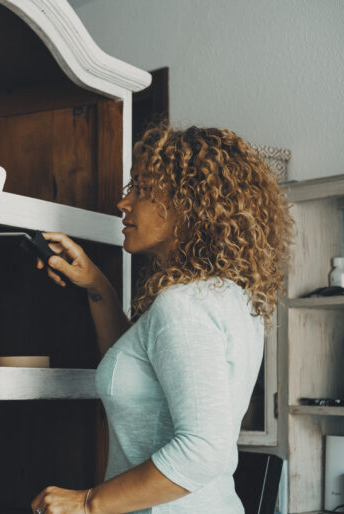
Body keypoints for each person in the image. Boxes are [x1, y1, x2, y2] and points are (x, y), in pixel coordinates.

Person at [30, 124, 294, 514]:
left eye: (141, 188)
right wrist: (97, 285)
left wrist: (87, 503)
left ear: (188, 203)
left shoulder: (182, 306)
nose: (124, 203)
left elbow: (204, 451)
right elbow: (139, 370)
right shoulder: (224, 296)